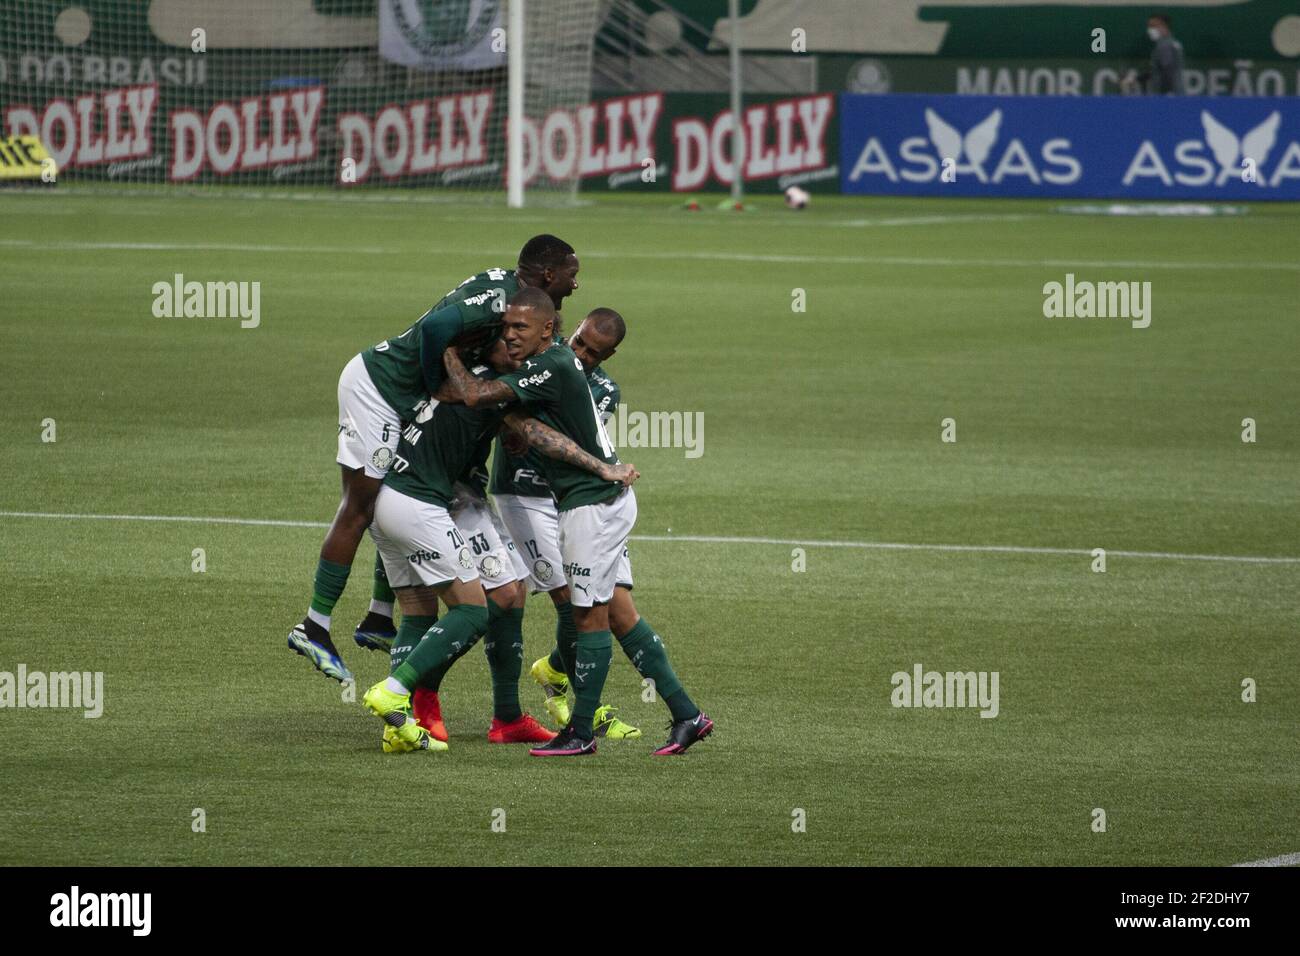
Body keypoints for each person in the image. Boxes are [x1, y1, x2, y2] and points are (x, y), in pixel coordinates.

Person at [287, 236, 579, 684]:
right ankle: (314, 626)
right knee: (361, 506)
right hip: (378, 389)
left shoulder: (505, 294)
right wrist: (425, 385)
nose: (574, 285)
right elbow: (433, 330)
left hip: (392, 396)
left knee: (392, 497)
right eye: (571, 276)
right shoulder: (500, 299)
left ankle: (379, 617)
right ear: (547, 275)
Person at [359, 289, 633, 753]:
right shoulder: (486, 386)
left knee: (494, 594)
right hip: (425, 499)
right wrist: (602, 466)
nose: (512, 340)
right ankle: (401, 695)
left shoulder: (474, 373)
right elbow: (527, 429)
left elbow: (519, 429)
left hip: (408, 493)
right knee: (470, 608)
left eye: (519, 331)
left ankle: (489, 717)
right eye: (506, 332)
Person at [442, 301, 712, 757]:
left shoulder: (555, 369)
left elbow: (487, 404)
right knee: (617, 612)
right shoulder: (553, 365)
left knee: (587, 615)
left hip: (588, 505)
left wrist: (447, 353)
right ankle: (687, 715)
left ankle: (582, 730)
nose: (584, 352)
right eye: (581, 341)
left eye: (519, 328)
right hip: (577, 501)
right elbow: (524, 430)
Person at [1145, 14, 1184, 95]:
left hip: (1166, 95)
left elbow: (1167, 71)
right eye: (1149, 26)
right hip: (1174, 92)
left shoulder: (1164, 45)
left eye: (1153, 26)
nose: (1150, 29)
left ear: (1163, 26)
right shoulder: (1173, 42)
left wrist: (1167, 93)